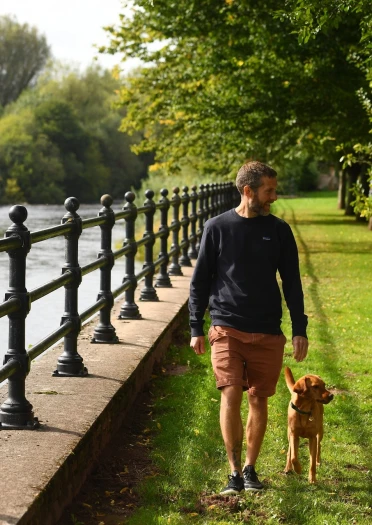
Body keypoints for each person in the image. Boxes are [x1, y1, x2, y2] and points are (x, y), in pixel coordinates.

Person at [189, 161, 308, 494]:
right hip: (226, 326)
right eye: (268, 190)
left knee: (258, 398)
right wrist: (196, 326)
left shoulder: (280, 230)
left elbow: (293, 283)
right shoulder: (216, 227)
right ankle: (233, 474)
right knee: (230, 393)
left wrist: (299, 328)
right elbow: (199, 282)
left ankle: (250, 470)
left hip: (268, 329)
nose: (274, 196)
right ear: (248, 191)